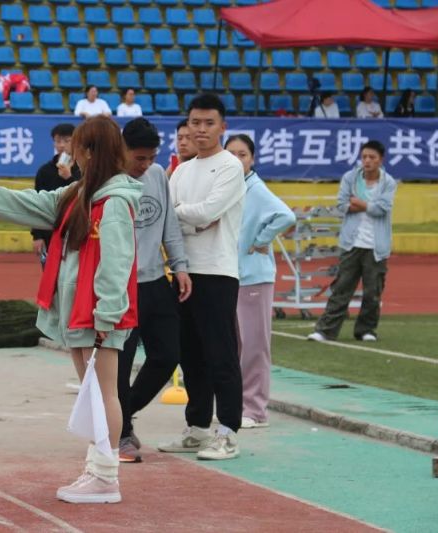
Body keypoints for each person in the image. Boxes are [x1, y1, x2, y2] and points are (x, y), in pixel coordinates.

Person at [0, 116, 142, 504]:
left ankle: (105, 476)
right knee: (92, 393)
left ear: (90, 151)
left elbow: (118, 262)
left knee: (104, 393)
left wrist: (107, 314)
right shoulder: (77, 193)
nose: (71, 154)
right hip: (79, 308)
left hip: (98, 312)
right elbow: (29, 203)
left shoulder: (115, 201)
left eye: (77, 147)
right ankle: (97, 468)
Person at [160, 93, 245, 461]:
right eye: (195, 122)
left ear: (222, 127)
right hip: (182, 271)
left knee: (220, 354)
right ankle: (197, 427)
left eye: (209, 123)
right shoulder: (181, 170)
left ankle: (228, 431)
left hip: (217, 272)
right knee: (190, 354)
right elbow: (170, 218)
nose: (201, 129)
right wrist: (190, 218)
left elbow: (209, 212)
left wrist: (183, 215)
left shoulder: (229, 167)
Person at [117, 118, 191, 463]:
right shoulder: (108, 182)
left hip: (155, 281)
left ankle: (120, 413)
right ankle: (120, 433)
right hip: (119, 286)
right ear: (122, 150)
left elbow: (169, 225)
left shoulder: (158, 175)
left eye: (151, 157)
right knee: (120, 364)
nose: (145, 164)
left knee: (167, 354)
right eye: (139, 158)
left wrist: (180, 266)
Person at [225, 134, 296, 429]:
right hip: (232, 275)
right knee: (236, 345)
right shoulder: (230, 187)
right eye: (231, 154)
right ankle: (236, 406)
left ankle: (254, 410)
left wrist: (261, 240)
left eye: (242, 154)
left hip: (254, 277)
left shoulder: (255, 188)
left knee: (254, 345)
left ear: (252, 159)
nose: (236, 160)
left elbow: (285, 216)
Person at [308, 141, 397, 343]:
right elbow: (342, 204)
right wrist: (366, 205)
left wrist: (360, 203)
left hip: (376, 246)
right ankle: (325, 330)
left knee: (373, 292)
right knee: (341, 288)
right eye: (364, 157)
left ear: (381, 160)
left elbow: (383, 208)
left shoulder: (388, 182)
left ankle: (366, 330)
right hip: (351, 243)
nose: (367, 161)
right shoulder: (350, 178)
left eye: (372, 157)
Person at [31, 123, 81, 266]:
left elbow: (85, 196)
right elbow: (38, 202)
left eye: (67, 141)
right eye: (58, 141)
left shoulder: (82, 169)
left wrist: (69, 178)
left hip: (76, 230)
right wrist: (37, 235)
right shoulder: (45, 171)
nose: (62, 145)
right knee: (50, 273)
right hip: (50, 230)